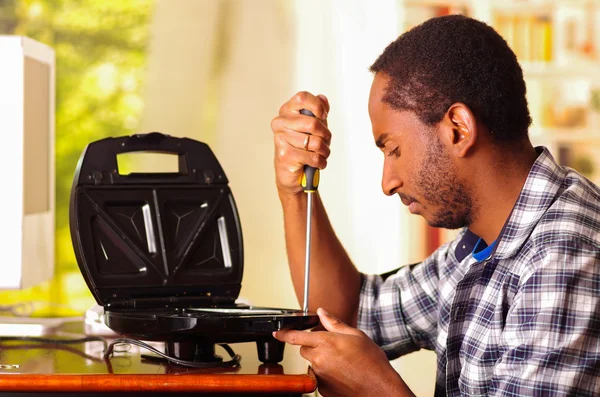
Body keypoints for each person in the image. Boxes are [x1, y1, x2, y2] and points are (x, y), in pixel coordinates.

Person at [269, 14, 600, 397]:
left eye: (393, 149)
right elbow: (348, 314)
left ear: (458, 129)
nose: (387, 183)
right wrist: (295, 193)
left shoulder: (565, 255)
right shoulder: (477, 247)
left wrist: (376, 390)